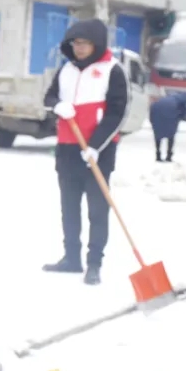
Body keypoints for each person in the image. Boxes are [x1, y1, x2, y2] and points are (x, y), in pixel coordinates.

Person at [42, 18, 130, 285]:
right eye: (75, 43)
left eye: (84, 43)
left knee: (97, 209)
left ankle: (94, 263)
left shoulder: (112, 70)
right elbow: (48, 97)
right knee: (69, 206)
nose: (79, 48)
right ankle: (71, 258)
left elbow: (117, 112)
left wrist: (96, 146)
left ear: (97, 44)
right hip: (67, 148)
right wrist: (57, 106)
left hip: (98, 151)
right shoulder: (66, 70)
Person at [149, 91, 186, 162]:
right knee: (171, 134)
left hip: (156, 109)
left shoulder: (170, 97)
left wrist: (152, 120)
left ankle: (158, 154)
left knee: (158, 133)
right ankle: (169, 156)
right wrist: (184, 116)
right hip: (171, 111)